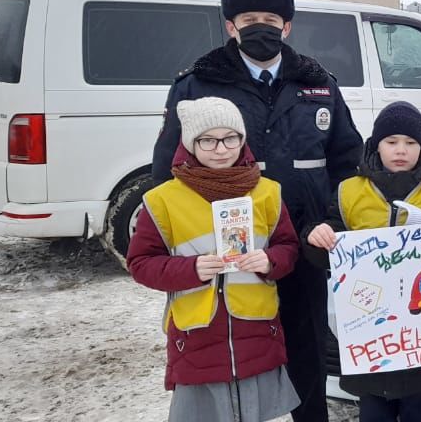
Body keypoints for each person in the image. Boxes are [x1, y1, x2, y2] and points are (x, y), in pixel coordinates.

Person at [152, 0, 365, 422]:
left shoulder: (319, 82)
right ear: (231, 25)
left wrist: (333, 222)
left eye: (271, 18)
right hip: (227, 250)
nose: (261, 26)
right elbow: (166, 171)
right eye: (249, 18)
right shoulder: (197, 84)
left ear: (287, 26)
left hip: (306, 243)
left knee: (306, 347)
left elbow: (349, 164)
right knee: (234, 354)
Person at [129, 97, 301, 422]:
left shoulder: (267, 192)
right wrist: (190, 269)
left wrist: (269, 261)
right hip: (196, 339)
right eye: (207, 140)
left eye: (230, 138)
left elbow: (288, 247)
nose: (220, 149)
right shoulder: (162, 200)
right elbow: (141, 263)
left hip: (257, 334)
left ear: (242, 139)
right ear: (190, 143)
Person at [302, 101, 421, 422]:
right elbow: (327, 252)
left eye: (411, 143)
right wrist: (315, 235)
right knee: (375, 411)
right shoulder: (349, 191)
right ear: (376, 144)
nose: (401, 150)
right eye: (391, 142)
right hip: (370, 330)